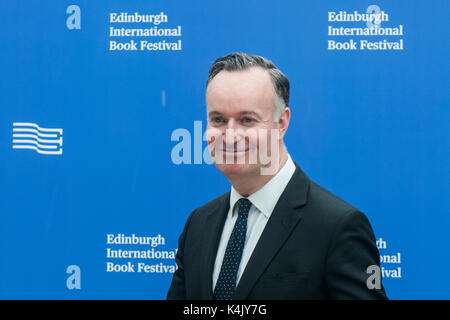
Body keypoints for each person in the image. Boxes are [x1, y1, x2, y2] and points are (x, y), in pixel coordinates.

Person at [167, 52, 387, 300]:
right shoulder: (198, 224)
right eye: (218, 119)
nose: (229, 136)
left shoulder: (338, 227)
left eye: (247, 120)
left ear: (281, 123)